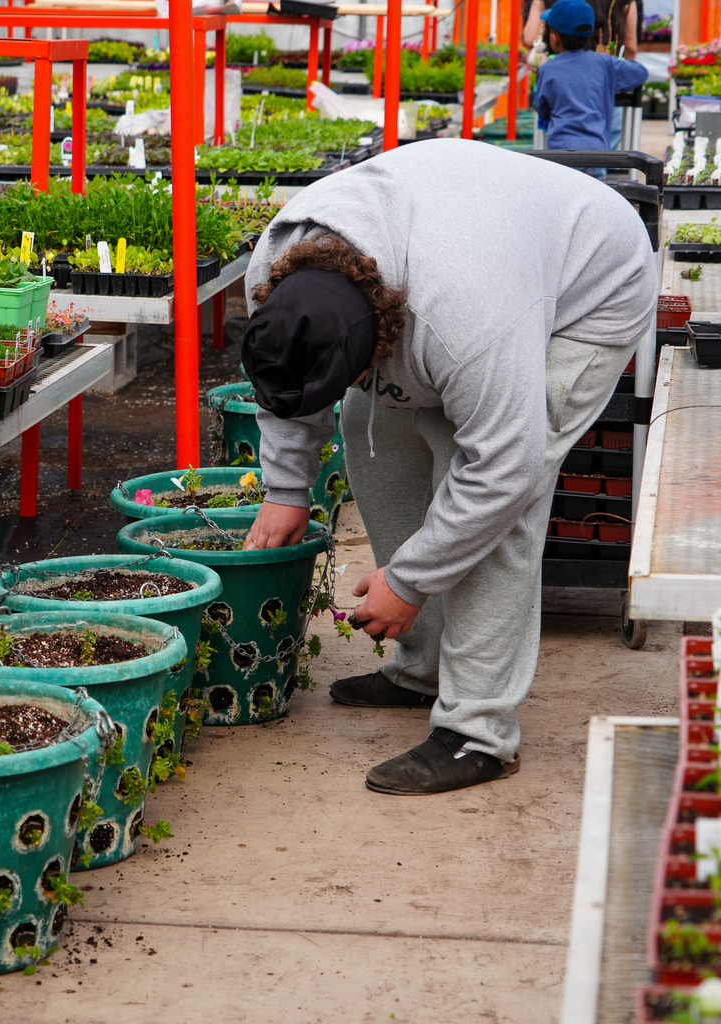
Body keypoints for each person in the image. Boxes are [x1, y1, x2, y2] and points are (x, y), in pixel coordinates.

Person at [239, 138, 657, 795]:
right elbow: (284, 384)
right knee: (370, 423)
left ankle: (478, 732)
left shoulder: (464, 321)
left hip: (589, 286)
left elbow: (504, 470)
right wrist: (287, 487)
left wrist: (408, 580)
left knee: (501, 510)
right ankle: (425, 668)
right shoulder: (273, 267)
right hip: (469, 243)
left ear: (380, 340)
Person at [532, 0, 649, 158]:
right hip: (598, 152)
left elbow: (542, 108)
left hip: (559, 153)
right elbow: (640, 72)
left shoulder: (548, 68)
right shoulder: (605, 63)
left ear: (554, 37)